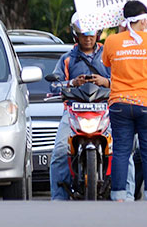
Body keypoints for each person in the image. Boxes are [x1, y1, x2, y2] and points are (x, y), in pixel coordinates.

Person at [49, 12, 122, 200]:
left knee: (124, 151)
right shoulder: (67, 58)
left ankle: (125, 195)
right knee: (58, 152)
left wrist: (105, 82)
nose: (88, 38)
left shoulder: (110, 55)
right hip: (73, 112)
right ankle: (58, 198)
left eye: (91, 34)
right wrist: (72, 83)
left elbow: (124, 81)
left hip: (106, 111)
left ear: (97, 34)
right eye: (83, 34)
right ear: (76, 36)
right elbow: (54, 85)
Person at [101, 0, 147, 201]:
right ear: (143, 20)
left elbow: (106, 63)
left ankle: (119, 196)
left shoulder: (112, 41)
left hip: (120, 103)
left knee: (121, 151)